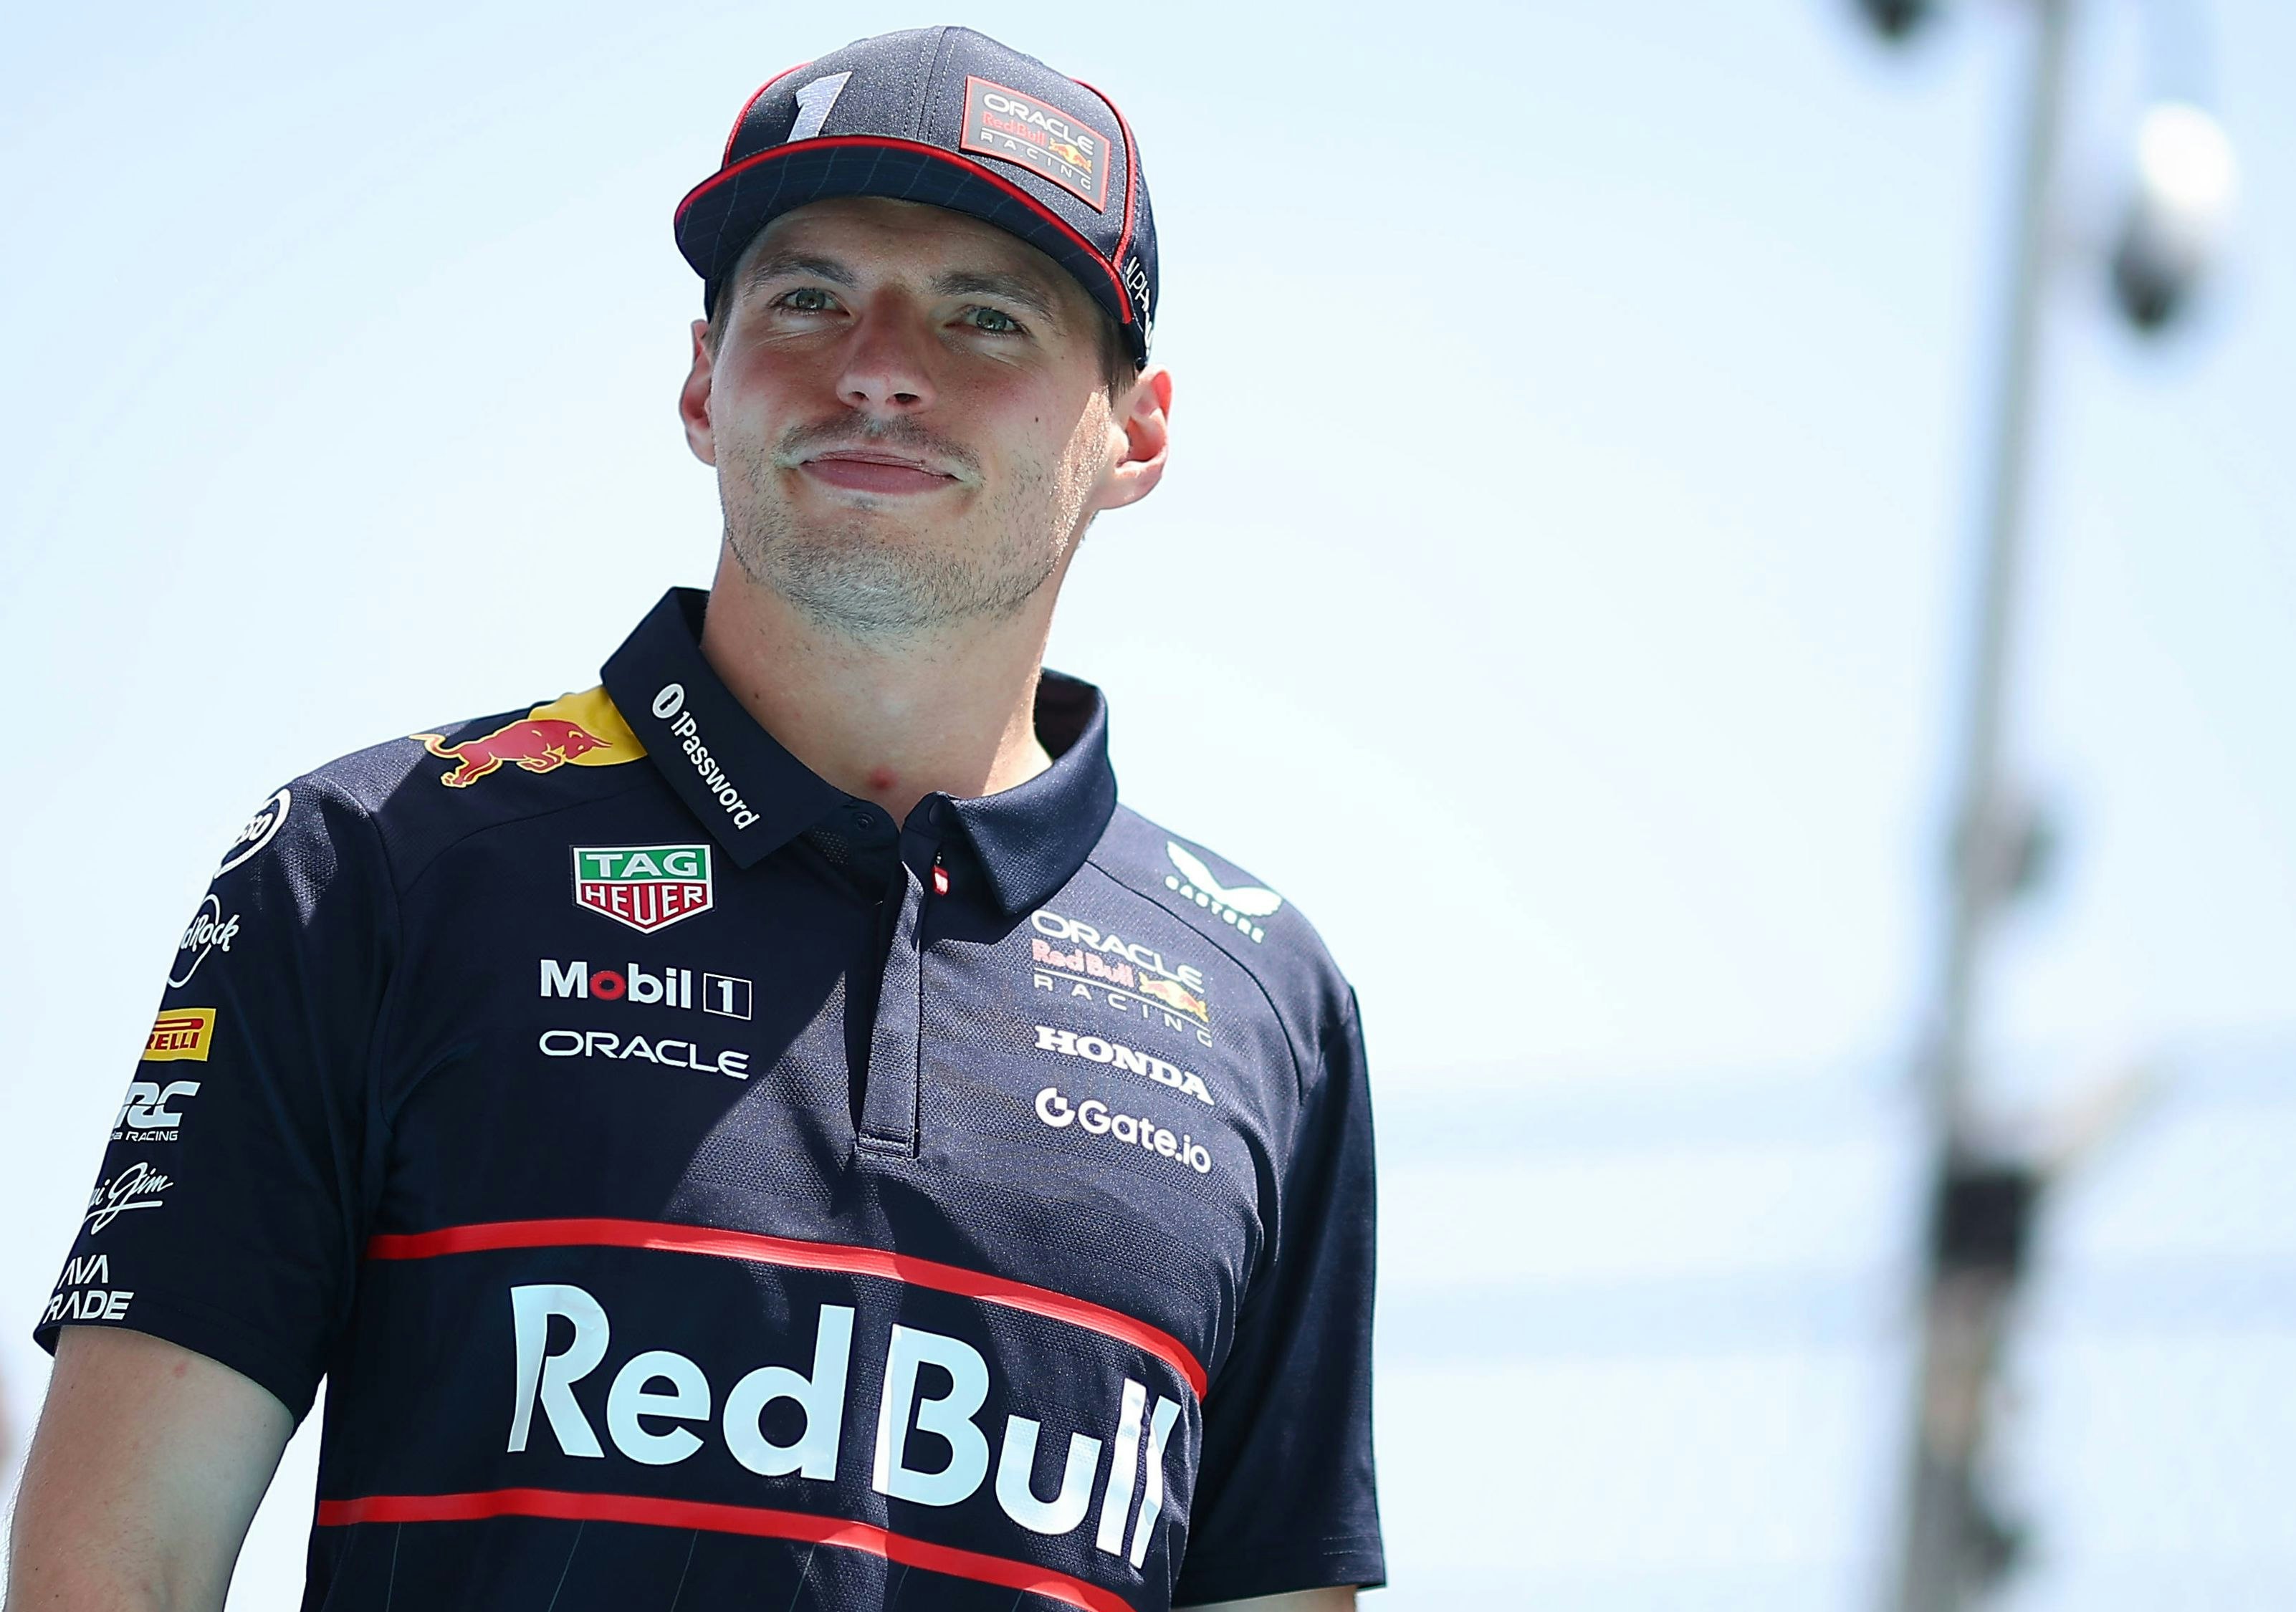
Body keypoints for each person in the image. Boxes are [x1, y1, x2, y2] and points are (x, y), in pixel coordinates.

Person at [8, 26, 1380, 1612]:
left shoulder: (1266, 997)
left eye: (982, 316)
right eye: (806, 299)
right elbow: (117, 1566)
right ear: (697, 380)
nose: (877, 362)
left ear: (1133, 432)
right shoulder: (373, 860)